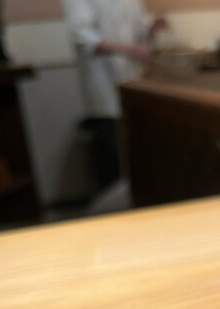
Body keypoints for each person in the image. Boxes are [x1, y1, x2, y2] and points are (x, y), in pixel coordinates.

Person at [63, 0, 167, 190]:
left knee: (136, 151)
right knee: (111, 151)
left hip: (130, 78)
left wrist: (151, 26)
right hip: (102, 81)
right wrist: (128, 49)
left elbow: (137, 27)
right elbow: (82, 36)